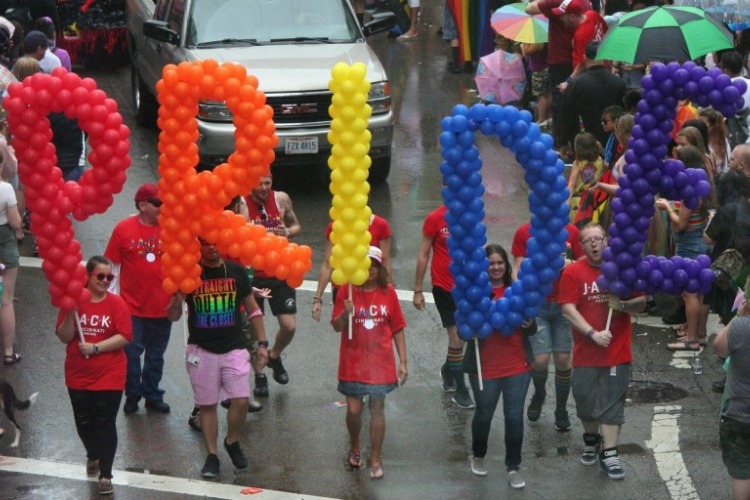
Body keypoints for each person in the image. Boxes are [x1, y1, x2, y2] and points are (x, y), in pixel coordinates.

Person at [167, 238, 270, 478]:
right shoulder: (190, 274)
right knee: (208, 405)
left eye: (215, 244)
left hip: (234, 347)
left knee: (241, 399)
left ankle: (232, 441)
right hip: (201, 350)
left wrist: (263, 343)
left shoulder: (235, 272)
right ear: (197, 248)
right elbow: (172, 316)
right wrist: (177, 299)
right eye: (206, 244)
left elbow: (253, 309)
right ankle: (212, 456)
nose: (212, 248)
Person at [558, 223, 645, 480]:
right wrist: (592, 334)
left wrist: (625, 305)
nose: (595, 244)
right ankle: (590, 438)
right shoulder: (573, 272)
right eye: (588, 240)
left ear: (607, 241)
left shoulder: (623, 270)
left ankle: (610, 454)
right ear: (581, 246)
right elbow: (567, 309)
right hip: (586, 353)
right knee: (585, 403)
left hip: (617, 353)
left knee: (611, 405)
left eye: (599, 238)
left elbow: (642, 304)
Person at [55, 256, 132, 495]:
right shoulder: (72, 302)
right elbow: (64, 336)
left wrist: (96, 347)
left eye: (110, 277)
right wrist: (70, 313)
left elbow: (125, 336)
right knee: (83, 421)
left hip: (110, 373)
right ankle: (92, 454)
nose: (106, 281)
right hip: (77, 373)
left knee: (106, 422)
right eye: (101, 276)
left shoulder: (117, 304)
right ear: (87, 277)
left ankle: (106, 474)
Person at [331, 246, 407, 480]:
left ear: (380, 269)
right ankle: (355, 446)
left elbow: (397, 327)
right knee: (354, 409)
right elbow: (336, 326)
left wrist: (403, 360)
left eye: (374, 266)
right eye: (366, 266)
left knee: (377, 409)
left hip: (380, 363)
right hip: (353, 362)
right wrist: (345, 313)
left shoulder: (389, 292)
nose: (370, 270)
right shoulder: (348, 289)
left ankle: (375, 458)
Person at [466, 244, 532, 489]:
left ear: (506, 265)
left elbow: (531, 327)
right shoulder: (474, 292)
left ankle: (513, 466)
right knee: (483, 415)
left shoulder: (517, 290)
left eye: (500, 262)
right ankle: (479, 454)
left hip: (517, 364)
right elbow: (464, 332)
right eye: (491, 263)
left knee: (514, 418)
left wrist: (529, 322)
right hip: (484, 368)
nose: (495, 267)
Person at [104, 183, 172, 414]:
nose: (164, 208)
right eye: (158, 203)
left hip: (163, 308)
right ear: (143, 205)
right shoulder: (123, 229)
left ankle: (152, 395)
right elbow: (112, 266)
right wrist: (110, 301)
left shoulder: (172, 229)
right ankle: (133, 394)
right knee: (131, 356)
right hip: (130, 308)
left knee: (155, 357)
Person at [511, 222, 583, 431]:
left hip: (565, 305)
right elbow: (516, 270)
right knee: (540, 360)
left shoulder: (572, 232)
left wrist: (563, 263)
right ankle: (539, 393)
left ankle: (561, 409)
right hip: (538, 304)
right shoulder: (523, 232)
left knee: (562, 359)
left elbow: (584, 264)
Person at [242, 174, 301, 397]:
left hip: (279, 271)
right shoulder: (241, 203)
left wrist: (286, 232)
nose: (264, 188)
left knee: (289, 326)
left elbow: (296, 226)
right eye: (259, 184)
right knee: (255, 332)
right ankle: (259, 375)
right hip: (252, 275)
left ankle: (274, 356)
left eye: (268, 183)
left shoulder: (281, 199)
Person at [413, 204, 474, 409]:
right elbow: (423, 253)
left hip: (467, 288)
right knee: (456, 336)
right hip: (443, 287)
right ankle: (461, 390)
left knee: (464, 337)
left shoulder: (471, 213)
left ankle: (449, 369)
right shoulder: (434, 218)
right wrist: (418, 289)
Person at [656, 146, 713, 351]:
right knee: (698, 294)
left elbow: (680, 224)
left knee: (690, 295)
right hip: (698, 245)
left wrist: (668, 208)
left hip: (690, 247)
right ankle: (698, 334)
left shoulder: (690, 192)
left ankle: (691, 339)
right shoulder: (701, 187)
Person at [311, 214, 392, 321]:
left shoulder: (380, 225)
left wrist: (389, 294)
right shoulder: (336, 227)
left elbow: (385, 262)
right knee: (346, 328)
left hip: (370, 288)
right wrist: (318, 299)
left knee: (371, 327)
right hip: (342, 289)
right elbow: (327, 264)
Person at [559, 41, 627, 149]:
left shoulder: (575, 85)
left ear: (584, 57)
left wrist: (564, 142)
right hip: (614, 142)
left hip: (584, 144)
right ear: (604, 57)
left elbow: (567, 116)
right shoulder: (619, 83)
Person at [714, 301, 750, 500]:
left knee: (742, 473)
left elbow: (719, 348)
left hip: (738, 414)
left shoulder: (741, 326)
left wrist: (739, 315)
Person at [553, 0, 607, 85]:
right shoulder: (591, 14)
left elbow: (582, 64)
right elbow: (606, 30)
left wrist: (568, 82)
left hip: (590, 79)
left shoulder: (581, 35)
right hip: (603, 70)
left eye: (563, 16)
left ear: (571, 16)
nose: (560, 19)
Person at [0, 166, 22, 366]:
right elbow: (15, 222)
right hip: (4, 240)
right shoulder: (6, 189)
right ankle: (8, 352)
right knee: (5, 300)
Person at [567, 132, 604, 224]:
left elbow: (572, 184)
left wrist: (567, 201)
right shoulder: (600, 160)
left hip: (579, 201)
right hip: (594, 200)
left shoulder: (577, 164)